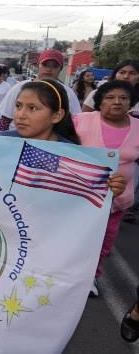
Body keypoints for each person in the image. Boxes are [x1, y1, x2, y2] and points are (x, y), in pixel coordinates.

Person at [73, 80, 139, 297]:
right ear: (100, 102)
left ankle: (91, 276)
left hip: (117, 200)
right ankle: (69, 274)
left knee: (105, 240)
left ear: (131, 102)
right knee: (77, 237)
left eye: (123, 98)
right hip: (80, 197)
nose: (117, 102)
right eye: (110, 97)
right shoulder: (80, 121)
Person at [0, 49, 81, 131]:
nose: (49, 69)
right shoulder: (19, 88)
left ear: (61, 68)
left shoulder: (67, 93)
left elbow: (77, 123)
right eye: (45, 65)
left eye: (54, 66)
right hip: (18, 140)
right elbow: (5, 119)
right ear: (38, 65)